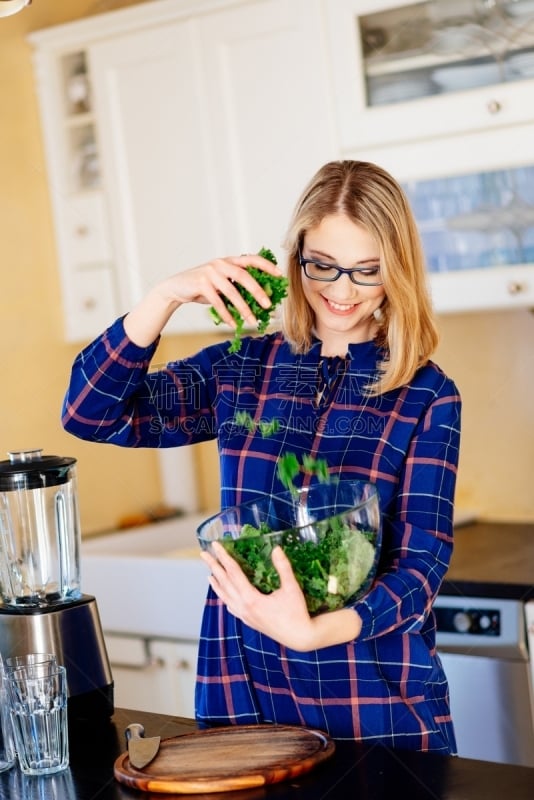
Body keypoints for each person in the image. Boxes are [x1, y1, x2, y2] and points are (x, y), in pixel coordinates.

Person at [62, 160, 461, 753]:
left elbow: (422, 563)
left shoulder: (426, 394)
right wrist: (166, 296)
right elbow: (91, 412)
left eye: (367, 271)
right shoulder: (241, 368)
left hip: (372, 693)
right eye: (322, 265)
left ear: (397, 271)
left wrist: (312, 632)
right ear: (297, 256)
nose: (341, 290)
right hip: (244, 686)